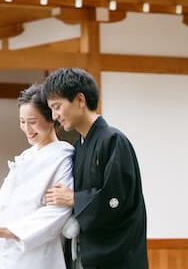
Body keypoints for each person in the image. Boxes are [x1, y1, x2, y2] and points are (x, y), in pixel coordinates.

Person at [43, 68, 148, 269]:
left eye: (57, 106)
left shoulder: (113, 140)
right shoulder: (77, 148)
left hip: (117, 258)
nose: (55, 116)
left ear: (80, 100)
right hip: (85, 254)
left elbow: (117, 198)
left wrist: (74, 198)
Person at [0, 84, 74, 269]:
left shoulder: (62, 156)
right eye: (22, 121)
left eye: (32, 121)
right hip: (2, 247)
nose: (27, 128)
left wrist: (13, 231)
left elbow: (58, 211)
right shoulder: (26, 156)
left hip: (34, 252)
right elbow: (3, 201)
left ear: (51, 118)